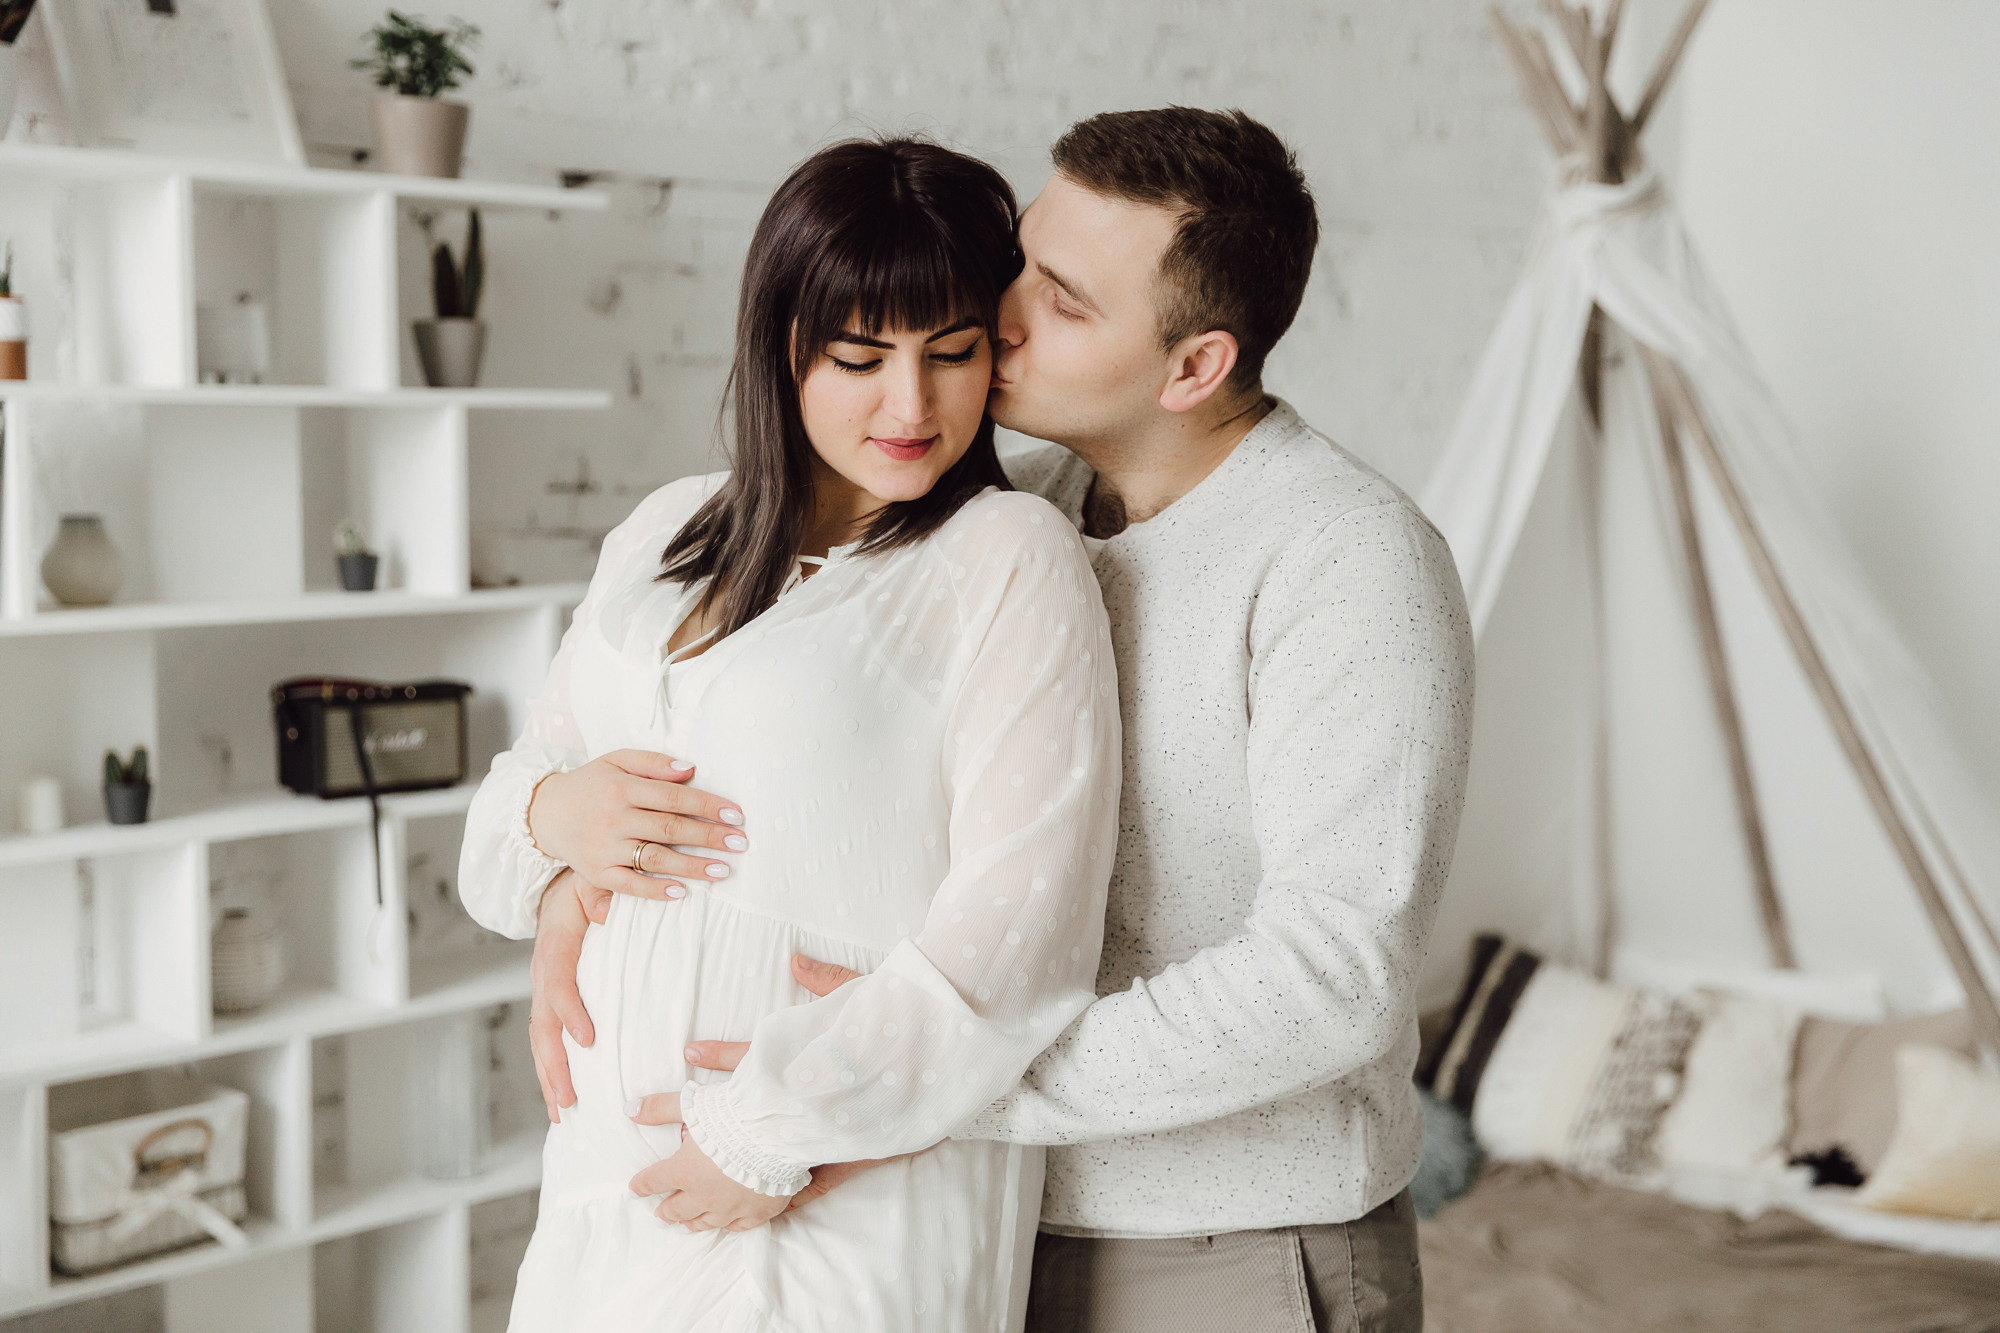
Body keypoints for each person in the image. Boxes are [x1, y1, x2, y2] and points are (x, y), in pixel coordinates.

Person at [533, 107, 1476, 1332]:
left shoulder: (1346, 561)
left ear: (1193, 365)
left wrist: (925, 1082)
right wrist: (563, 855)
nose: (1002, 309)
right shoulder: (1021, 503)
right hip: (978, 1225)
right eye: (1023, 258)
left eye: (1064, 301)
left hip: (1229, 1247)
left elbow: (1330, 979)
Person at [457, 136, 1122, 1332]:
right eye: (860, 357)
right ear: (782, 346)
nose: (911, 405)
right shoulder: (665, 533)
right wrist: (556, 827)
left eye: (953, 352)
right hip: (607, 1181)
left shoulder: (1004, 559)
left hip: (836, 1197)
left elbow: (1023, 935)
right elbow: (502, 826)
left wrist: (760, 1135)